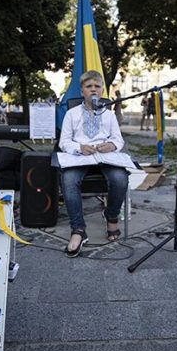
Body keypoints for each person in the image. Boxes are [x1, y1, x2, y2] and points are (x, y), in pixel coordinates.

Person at [59, 70, 129, 258]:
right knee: (68, 180)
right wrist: (79, 147)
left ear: (102, 90)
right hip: (80, 156)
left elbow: (119, 140)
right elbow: (63, 142)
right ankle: (78, 230)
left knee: (120, 179)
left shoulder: (109, 115)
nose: (93, 90)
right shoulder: (72, 114)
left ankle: (111, 217)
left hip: (104, 156)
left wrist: (111, 145)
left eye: (97, 86)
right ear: (82, 91)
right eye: (89, 86)